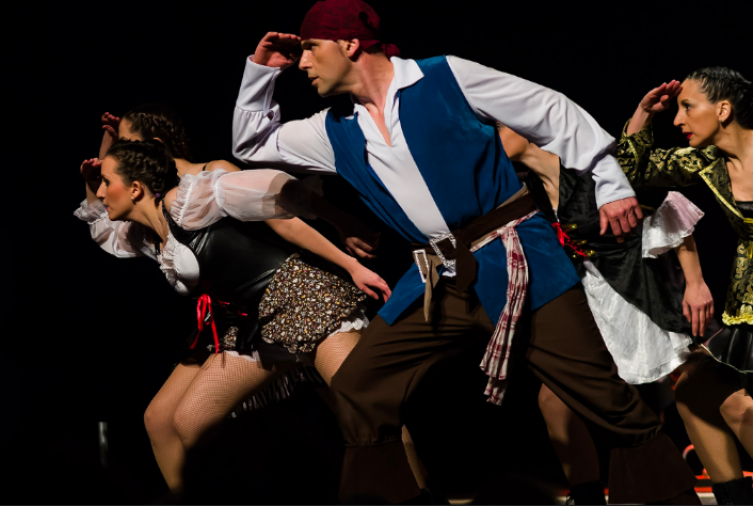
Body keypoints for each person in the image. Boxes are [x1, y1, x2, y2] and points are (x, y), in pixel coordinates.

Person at [231, 0, 700, 503]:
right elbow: (250, 144)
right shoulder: (332, 128)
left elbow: (551, 110)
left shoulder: (444, 77)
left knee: (603, 397)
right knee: (359, 387)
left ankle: (667, 498)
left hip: (519, 259)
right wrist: (261, 71)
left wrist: (611, 183)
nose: (302, 63)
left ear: (349, 44)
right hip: (438, 277)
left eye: (310, 48)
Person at [76, 109, 429, 499]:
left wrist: (349, 260)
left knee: (368, 407)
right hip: (252, 322)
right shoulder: (143, 232)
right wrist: (99, 168)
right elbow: (101, 227)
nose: (100, 192)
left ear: (136, 185)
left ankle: (419, 496)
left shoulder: (192, 196)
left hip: (298, 298)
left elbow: (276, 200)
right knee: (188, 421)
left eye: (106, 181)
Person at [499, 123, 713, 504]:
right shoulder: (531, 190)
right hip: (591, 301)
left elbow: (664, 212)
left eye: (499, 128)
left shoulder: (586, 168)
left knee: (697, 384)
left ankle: (722, 484)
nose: (492, 138)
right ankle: (588, 496)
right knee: (553, 399)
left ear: (525, 128)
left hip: (641, 287)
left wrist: (695, 283)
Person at [617, 67, 753, 505]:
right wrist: (644, 113)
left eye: (687, 107)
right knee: (693, 388)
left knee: (737, 404)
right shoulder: (708, 161)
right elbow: (629, 170)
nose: (678, 120)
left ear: (723, 109)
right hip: (746, 301)